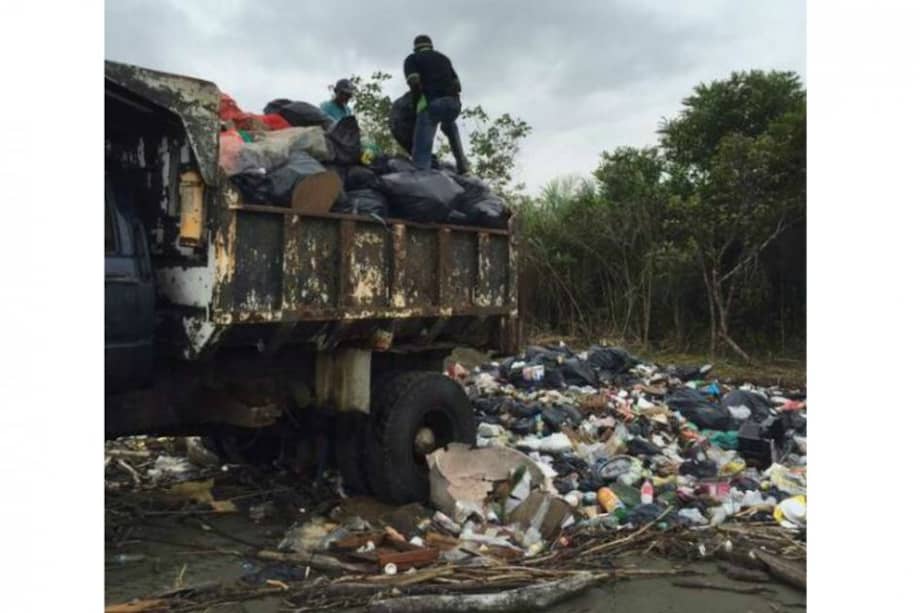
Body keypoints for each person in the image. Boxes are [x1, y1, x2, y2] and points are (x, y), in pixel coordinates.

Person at [403, 34, 470, 174]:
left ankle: (422, 176)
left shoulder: (412, 59)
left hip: (433, 104)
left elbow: (415, 83)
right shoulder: (444, 59)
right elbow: (457, 85)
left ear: (415, 48)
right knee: (449, 125)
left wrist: (417, 106)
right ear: (431, 46)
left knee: (421, 153)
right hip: (454, 104)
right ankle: (463, 166)